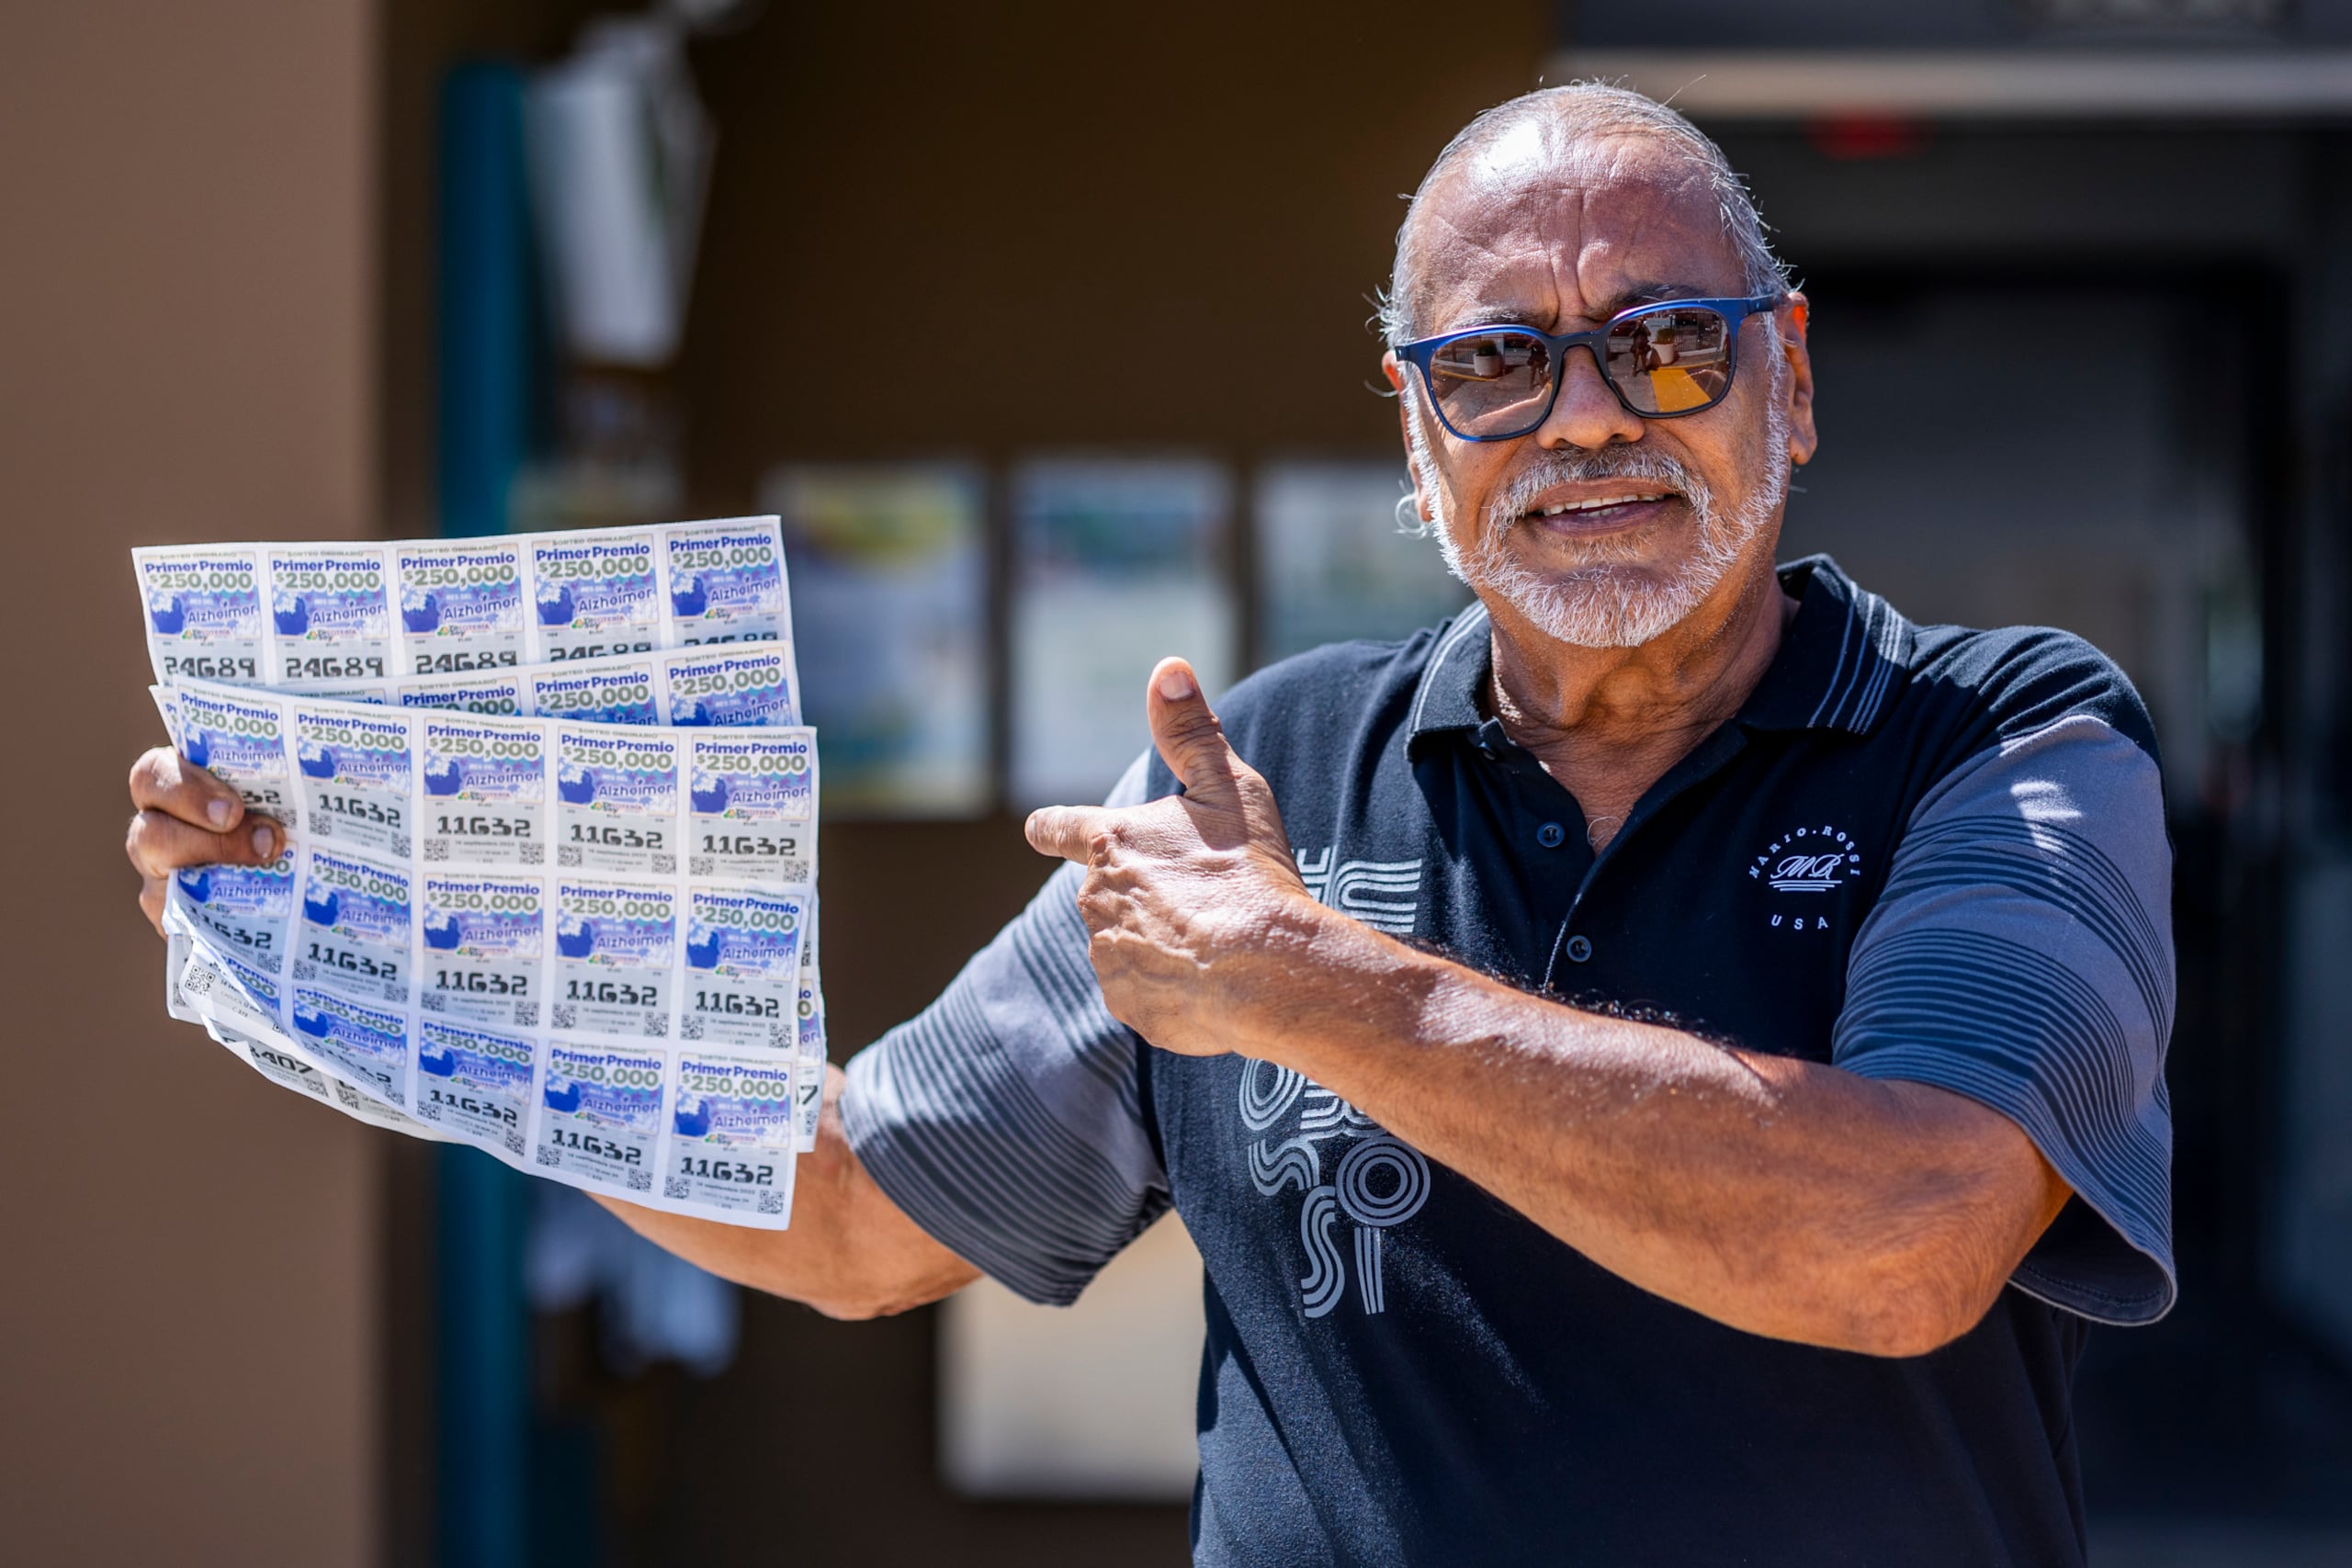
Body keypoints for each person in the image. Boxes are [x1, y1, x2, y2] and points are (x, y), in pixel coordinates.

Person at [125, 84, 2175, 1567]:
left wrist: (1313, 988)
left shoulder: (1998, 738)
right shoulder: (1252, 777)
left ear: (1784, 378)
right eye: (1492, 364)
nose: (1581, 416)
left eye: (1660, 342)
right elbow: (845, 1211)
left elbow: (1907, 1239)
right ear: (1416, 432)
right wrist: (375, 945)